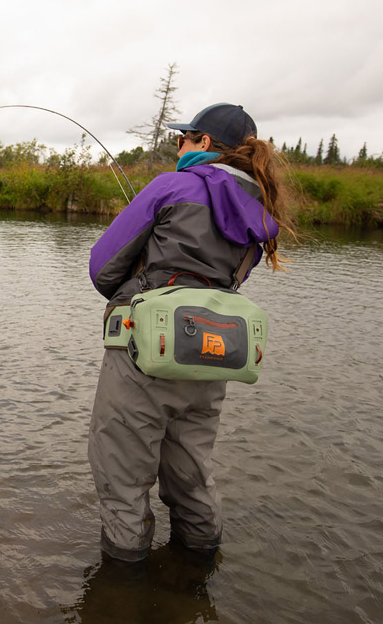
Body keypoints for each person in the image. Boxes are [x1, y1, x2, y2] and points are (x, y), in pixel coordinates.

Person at [87, 102, 292, 563]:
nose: (177, 145)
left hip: (144, 355)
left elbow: (102, 268)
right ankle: (199, 572)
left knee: (123, 480)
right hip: (211, 356)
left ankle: (123, 590)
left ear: (203, 144)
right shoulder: (260, 210)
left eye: (184, 138)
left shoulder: (172, 185)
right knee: (191, 475)